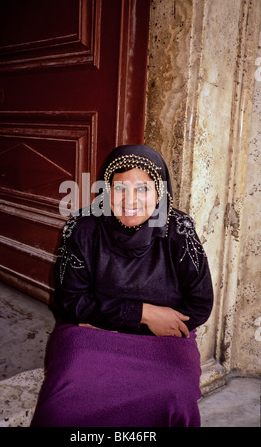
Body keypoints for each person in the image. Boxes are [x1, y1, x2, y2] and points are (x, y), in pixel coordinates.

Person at [31, 144, 213, 427]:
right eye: (119, 188)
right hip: (92, 339)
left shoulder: (179, 230)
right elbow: (71, 303)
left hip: (162, 339)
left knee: (175, 396)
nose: (131, 200)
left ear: (160, 193)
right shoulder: (82, 227)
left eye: (143, 188)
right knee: (62, 406)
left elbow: (199, 306)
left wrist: (104, 319)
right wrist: (144, 315)